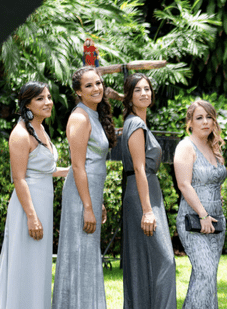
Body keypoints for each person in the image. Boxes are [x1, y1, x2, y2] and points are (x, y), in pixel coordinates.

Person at [53, 66, 117, 309]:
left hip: (89, 194)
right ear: (78, 92)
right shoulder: (79, 117)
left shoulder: (94, 115)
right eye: (88, 85)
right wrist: (88, 206)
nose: (96, 88)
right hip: (80, 197)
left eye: (98, 83)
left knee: (88, 256)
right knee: (80, 254)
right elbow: (78, 166)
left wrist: (96, 202)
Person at [0, 82, 68, 308]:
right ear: (26, 103)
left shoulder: (40, 128)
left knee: (39, 265)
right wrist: (32, 216)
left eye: (48, 97)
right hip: (27, 209)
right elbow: (19, 178)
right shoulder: (20, 134)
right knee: (24, 264)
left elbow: (44, 169)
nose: (48, 102)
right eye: (40, 99)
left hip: (43, 206)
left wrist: (74, 170)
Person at [120, 73, 176, 308]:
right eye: (138, 90)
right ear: (130, 97)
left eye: (147, 89)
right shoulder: (136, 124)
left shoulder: (135, 121)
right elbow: (139, 168)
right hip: (143, 194)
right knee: (166, 261)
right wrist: (147, 211)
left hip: (145, 191)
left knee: (144, 260)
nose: (145, 93)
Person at [174, 100, 227, 308]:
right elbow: (184, 184)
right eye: (199, 118)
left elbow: (216, 180)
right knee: (204, 273)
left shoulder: (214, 147)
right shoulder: (186, 147)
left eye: (209, 117)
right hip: (195, 220)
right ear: (190, 123)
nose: (205, 122)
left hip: (217, 221)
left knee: (208, 277)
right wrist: (203, 214)